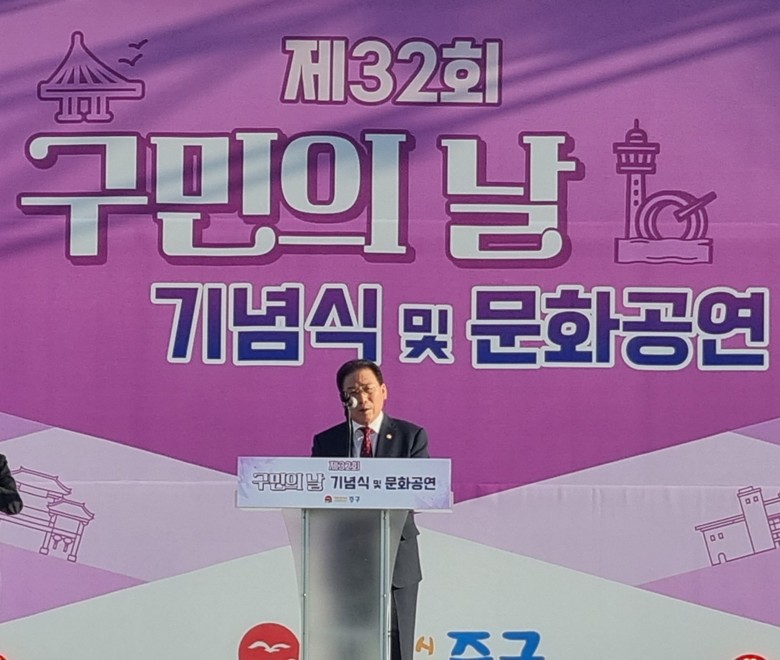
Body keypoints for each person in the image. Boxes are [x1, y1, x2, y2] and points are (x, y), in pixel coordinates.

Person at [311, 359, 429, 660]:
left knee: (399, 643)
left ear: (383, 391)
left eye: (368, 389)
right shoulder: (327, 442)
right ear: (343, 398)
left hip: (397, 557)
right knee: (349, 645)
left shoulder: (411, 437)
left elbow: (421, 493)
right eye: (352, 392)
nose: (362, 398)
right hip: (347, 556)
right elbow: (317, 497)